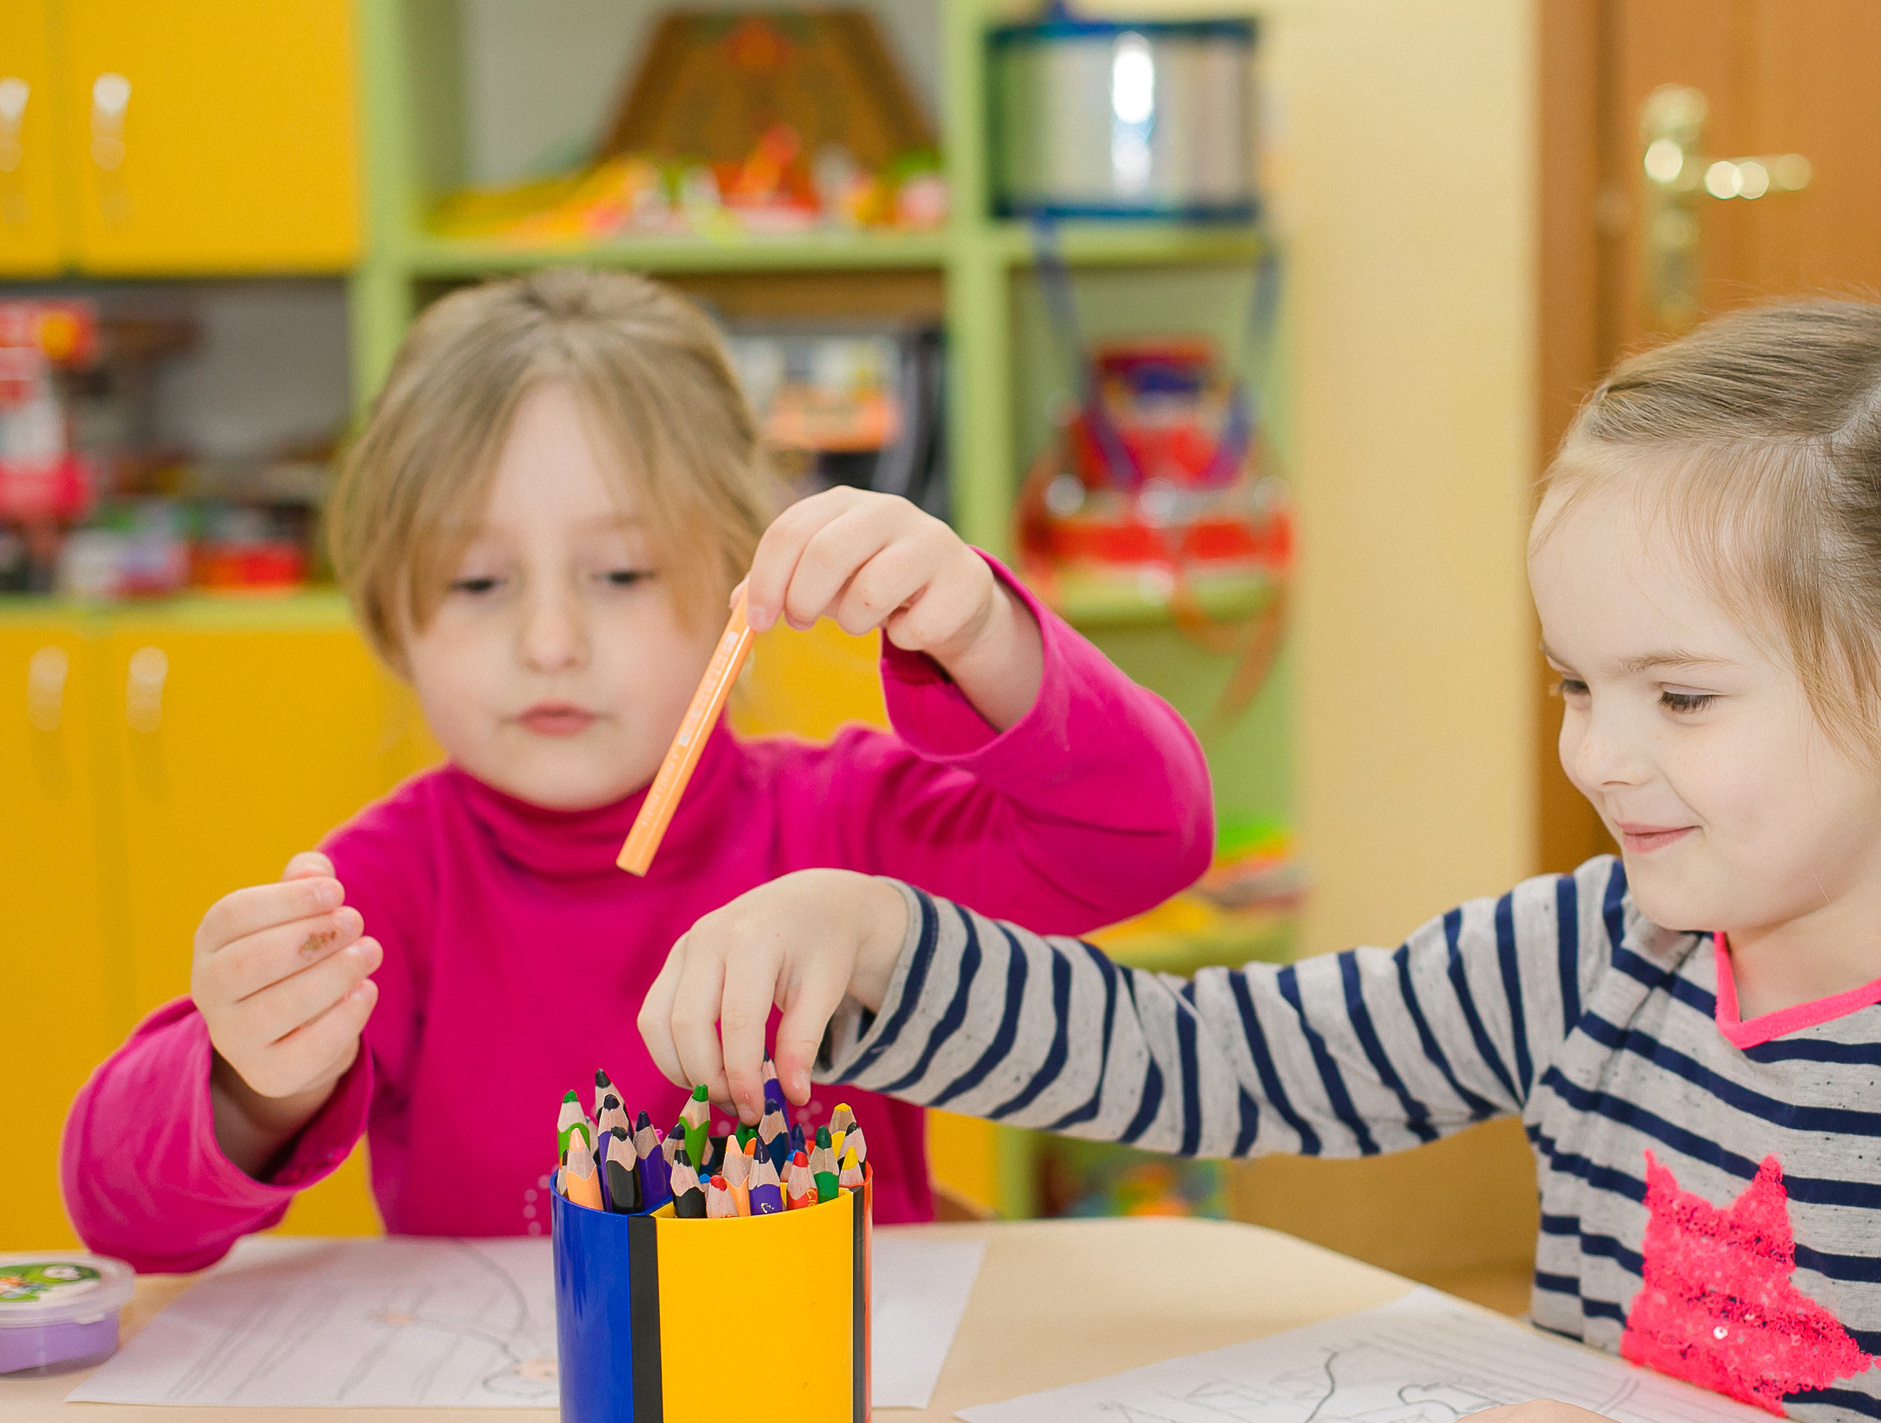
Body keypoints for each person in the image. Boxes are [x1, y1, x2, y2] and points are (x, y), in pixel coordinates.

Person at [640, 301, 1881, 1423]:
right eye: (1575, 685)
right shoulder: (1597, 947)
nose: (1599, 755)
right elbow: (1224, 1061)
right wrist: (882, 945)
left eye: (1677, 697)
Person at [65, 269, 1212, 1270]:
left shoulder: (846, 823)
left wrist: (981, 634)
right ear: (388, 619)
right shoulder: (384, 893)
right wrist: (253, 1083)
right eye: (477, 584)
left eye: (618, 573)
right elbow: (117, 1210)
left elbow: (1148, 837)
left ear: (739, 581)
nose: (549, 641)